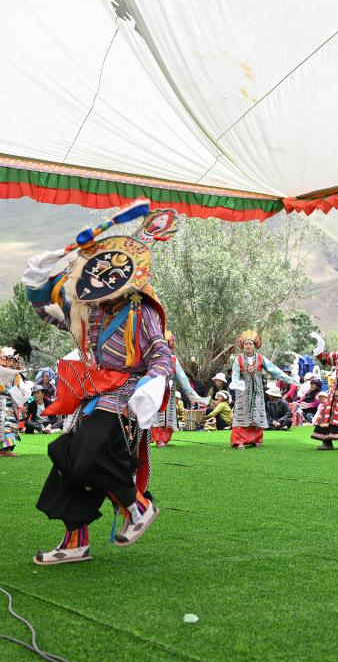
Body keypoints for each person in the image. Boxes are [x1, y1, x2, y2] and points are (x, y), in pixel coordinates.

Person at [20, 204, 179, 564]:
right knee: (68, 459)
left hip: (123, 399)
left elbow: (159, 353)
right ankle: (75, 542)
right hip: (91, 397)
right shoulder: (86, 310)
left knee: (88, 455)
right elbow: (46, 311)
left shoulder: (142, 310)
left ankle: (137, 507)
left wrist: (154, 383)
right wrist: (37, 283)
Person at [229, 330, 298, 449]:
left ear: (254, 345)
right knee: (242, 415)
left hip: (257, 392)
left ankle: (255, 439)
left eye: (250, 343)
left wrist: (289, 379)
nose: (248, 346)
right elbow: (235, 375)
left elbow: (274, 371)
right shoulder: (238, 359)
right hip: (243, 392)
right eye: (245, 344)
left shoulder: (260, 358)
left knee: (257, 413)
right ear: (243, 346)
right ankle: (239, 441)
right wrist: (235, 384)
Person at [151, 330, 207, 447]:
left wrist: (193, 395)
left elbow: (183, 379)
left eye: (166, 344)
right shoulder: (152, 357)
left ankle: (164, 438)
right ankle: (158, 439)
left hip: (169, 393)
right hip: (156, 392)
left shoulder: (173, 360)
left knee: (168, 415)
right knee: (157, 414)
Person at [0, 347, 31, 455]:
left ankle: (6, 449)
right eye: (9, 361)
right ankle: (3, 450)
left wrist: (17, 391)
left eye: (13, 361)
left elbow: (25, 391)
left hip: (10, 404)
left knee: (10, 424)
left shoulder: (16, 375)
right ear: (4, 360)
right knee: (5, 424)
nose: (11, 363)